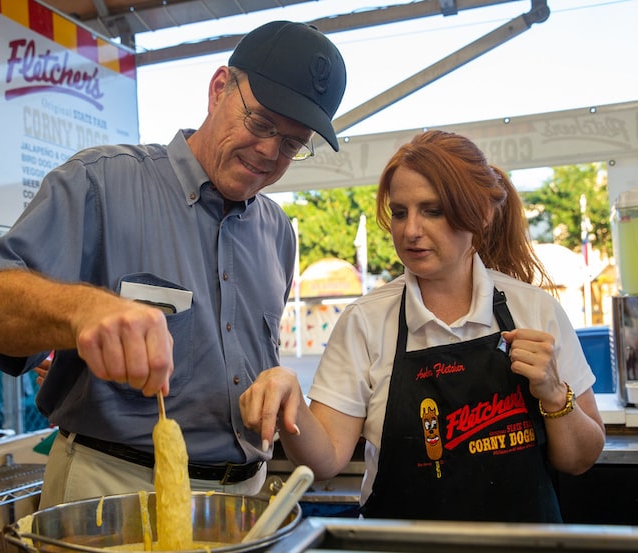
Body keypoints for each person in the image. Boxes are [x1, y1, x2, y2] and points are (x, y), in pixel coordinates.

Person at [0, 20, 347, 508]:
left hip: (247, 496)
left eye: (291, 143)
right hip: (113, 491)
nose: (269, 152)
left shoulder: (278, 233)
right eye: (261, 123)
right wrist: (80, 312)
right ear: (219, 89)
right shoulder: (100, 184)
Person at [239, 130, 606, 523]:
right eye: (400, 212)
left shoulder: (535, 310)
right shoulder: (365, 322)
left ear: (480, 214)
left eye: (432, 210)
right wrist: (288, 405)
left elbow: (580, 459)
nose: (410, 230)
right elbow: (327, 457)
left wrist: (553, 393)